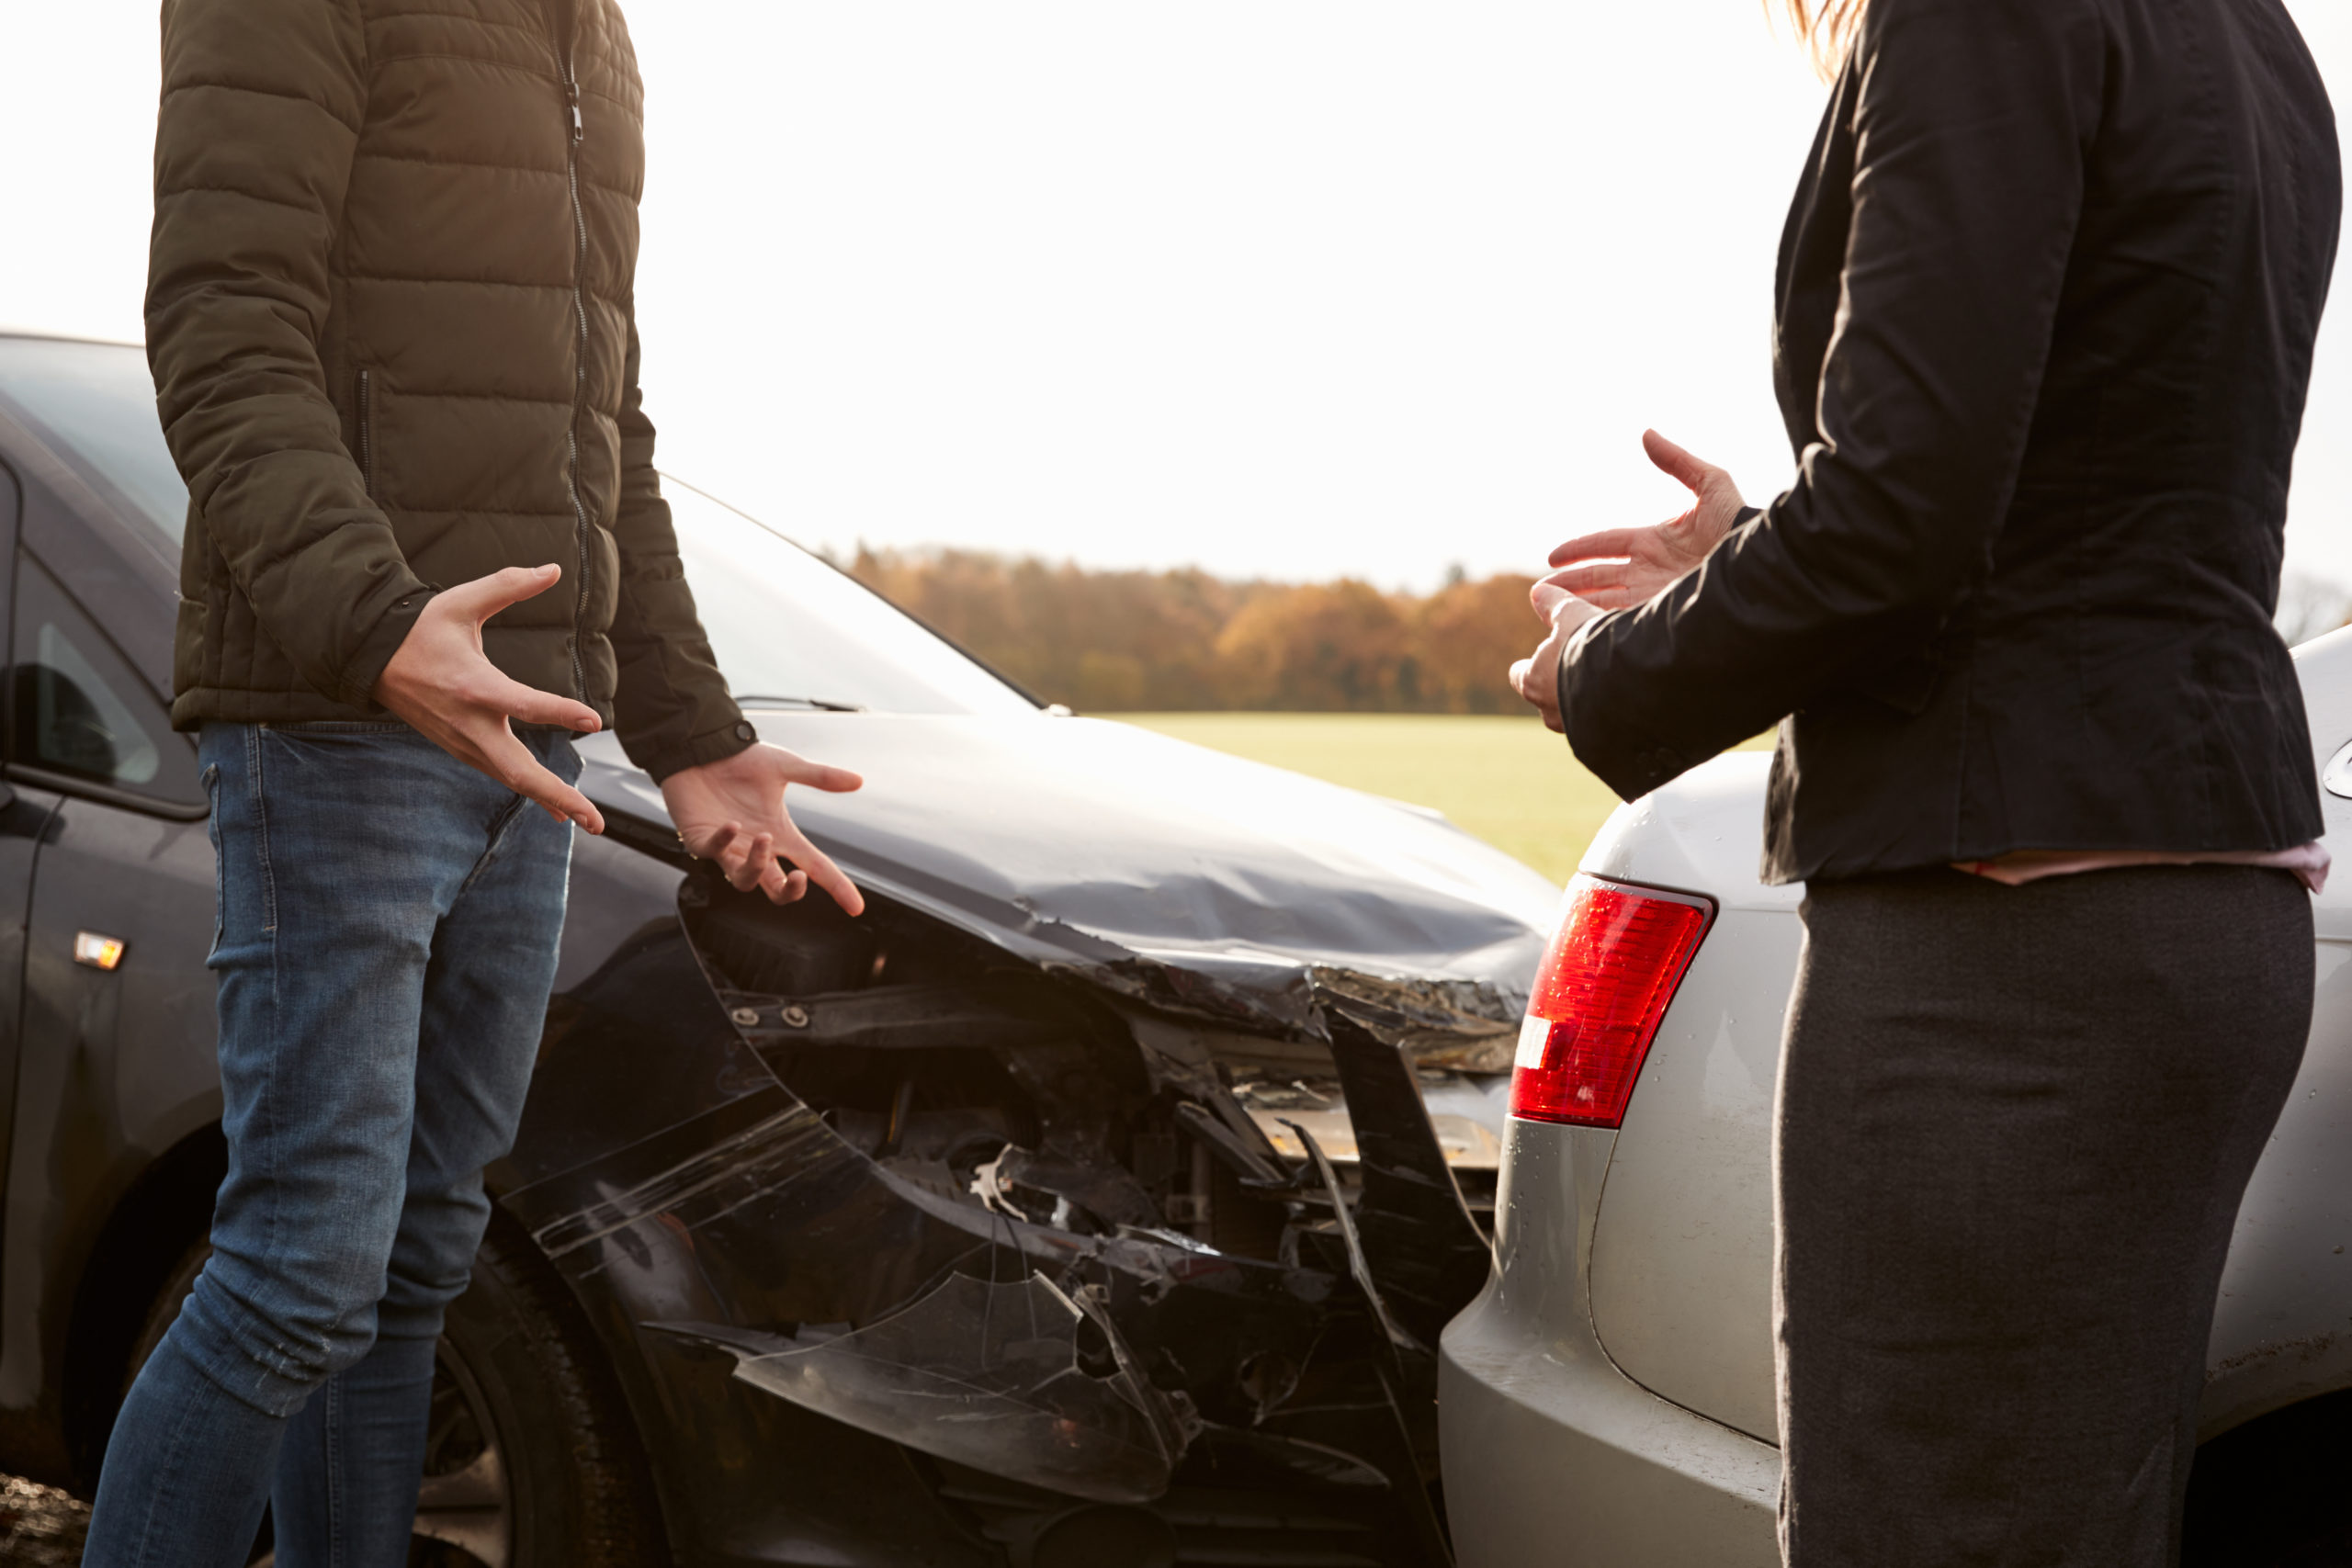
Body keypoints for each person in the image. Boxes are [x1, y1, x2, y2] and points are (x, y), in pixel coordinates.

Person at [1510, 0, 2339, 1562]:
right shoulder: (2259, 36)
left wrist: (1613, 668)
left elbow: (1906, 514)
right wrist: (1748, 555)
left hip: (2009, 936)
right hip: (2198, 896)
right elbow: (2085, 484)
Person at [83, 1, 865, 1562]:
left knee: (419, 1257)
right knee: (303, 1268)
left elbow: (600, 429)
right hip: (337, 720)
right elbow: (223, 329)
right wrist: (379, 627)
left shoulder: (590, 36)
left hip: (529, 737)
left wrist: (691, 734)